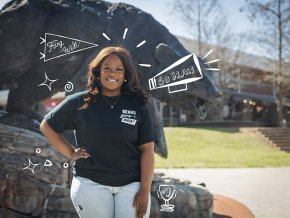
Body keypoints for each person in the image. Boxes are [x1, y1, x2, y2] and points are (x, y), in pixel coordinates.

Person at [40, 46, 156, 218]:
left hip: (132, 184)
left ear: (125, 75)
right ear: (98, 72)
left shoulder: (137, 105)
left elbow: (147, 150)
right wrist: (71, 153)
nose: (112, 73)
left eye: (118, 69)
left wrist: (145, 190)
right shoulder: (80, 102)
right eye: (107, 68)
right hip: (90, 183)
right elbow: (47, 126)